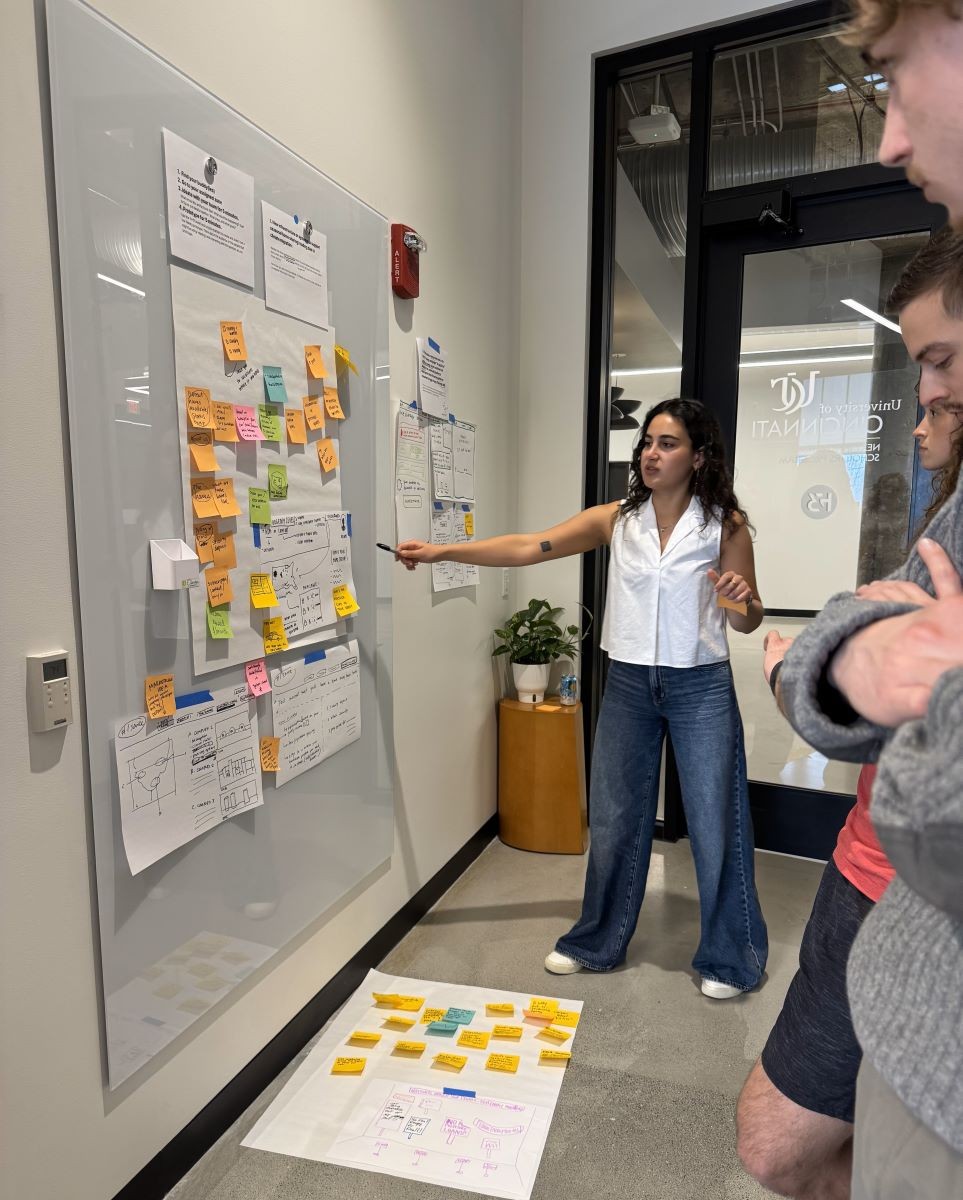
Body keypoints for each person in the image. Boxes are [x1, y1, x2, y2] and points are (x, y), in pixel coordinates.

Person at [760, 3, 963, 1194]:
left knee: (779, 1142)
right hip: (905, 956)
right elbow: (878, 617)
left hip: (906, 909)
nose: (886, 139)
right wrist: (846, 656)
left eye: (890, 73)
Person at [397, 399, 769, 998]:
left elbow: (748, 619)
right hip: (628, 681)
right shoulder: (616, 519)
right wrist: (443, 552)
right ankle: (597, 941)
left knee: (715, 819)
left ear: (698, 457)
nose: (651, 453)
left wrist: (740, 597)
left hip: (700, 684)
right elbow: (529, 545)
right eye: (647, 441)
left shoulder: (724, 525)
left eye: (668, 443)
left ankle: (730, 957)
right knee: (617, 815)